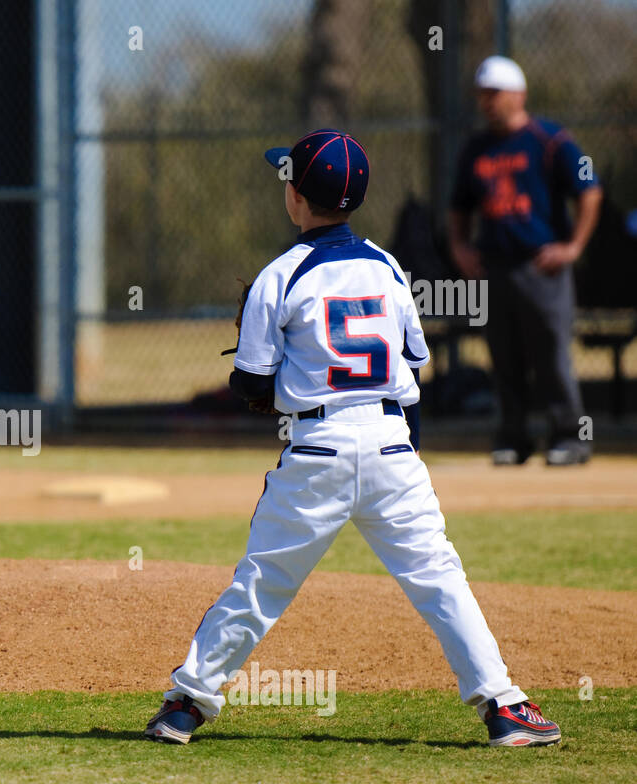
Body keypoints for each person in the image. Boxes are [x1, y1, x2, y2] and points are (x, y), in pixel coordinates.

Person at [145, 129, 560, 748]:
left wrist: (268, 375)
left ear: (296, 198)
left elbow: (252, 383)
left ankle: (187, 705)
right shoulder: (388, 267)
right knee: (439, 577)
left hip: (318, 449)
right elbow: (412, 366)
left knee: (262, 584)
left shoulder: (281, 275)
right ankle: (504, 707)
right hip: (393, 444)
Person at [448, 55, 603, 466]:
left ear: (519, 94)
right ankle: (513, 438)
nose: (487, 102)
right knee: (503, 356)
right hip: (495, 266)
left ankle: (569, 437)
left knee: (552, 354)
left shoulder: (551, 140)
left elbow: (589, 188)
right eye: (483, 95)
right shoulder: (476, 149)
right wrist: (460, 245)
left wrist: (573, 247)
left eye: (495, 94)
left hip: (542, 266)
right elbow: (459, 205)